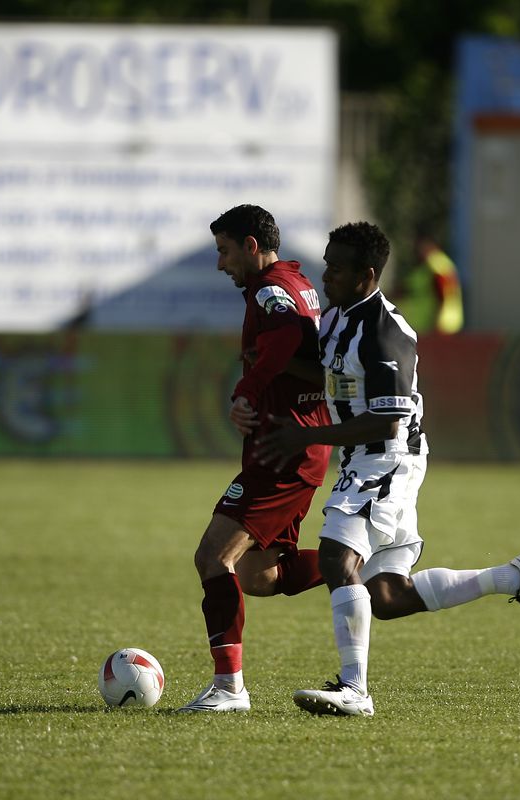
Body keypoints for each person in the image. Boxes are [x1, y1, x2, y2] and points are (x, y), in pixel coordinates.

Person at [255, 221, 520, 718]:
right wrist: (270, 364)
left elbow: (389, 421)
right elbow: (331, 372)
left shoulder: (385, 332)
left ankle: (355, 691)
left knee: (336, 556)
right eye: (326, 263)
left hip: (388, 456)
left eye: (337, 267)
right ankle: (514, 578)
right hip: (366, 456)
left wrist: (307, 436)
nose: (325, 274)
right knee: (387, 595)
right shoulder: (337, 317)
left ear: (366, 274)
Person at [178, 205, 332, 713]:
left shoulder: (269, 289)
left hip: (282, 450)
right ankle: (360, 567)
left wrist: (247, 389)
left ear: (250, 245)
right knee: (259, 576)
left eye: (224, 252)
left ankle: (229, 690)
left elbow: (288, 337)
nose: (221, 264)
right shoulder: (297, 281)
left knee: (212, 558)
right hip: (298, 446)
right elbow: (303, 352)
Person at [392, 228, 464, 335]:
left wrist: (436, 323)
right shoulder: (437, 264)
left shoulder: (435, 265)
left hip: (437, 327)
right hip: (441, 325)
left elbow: (442, 295)